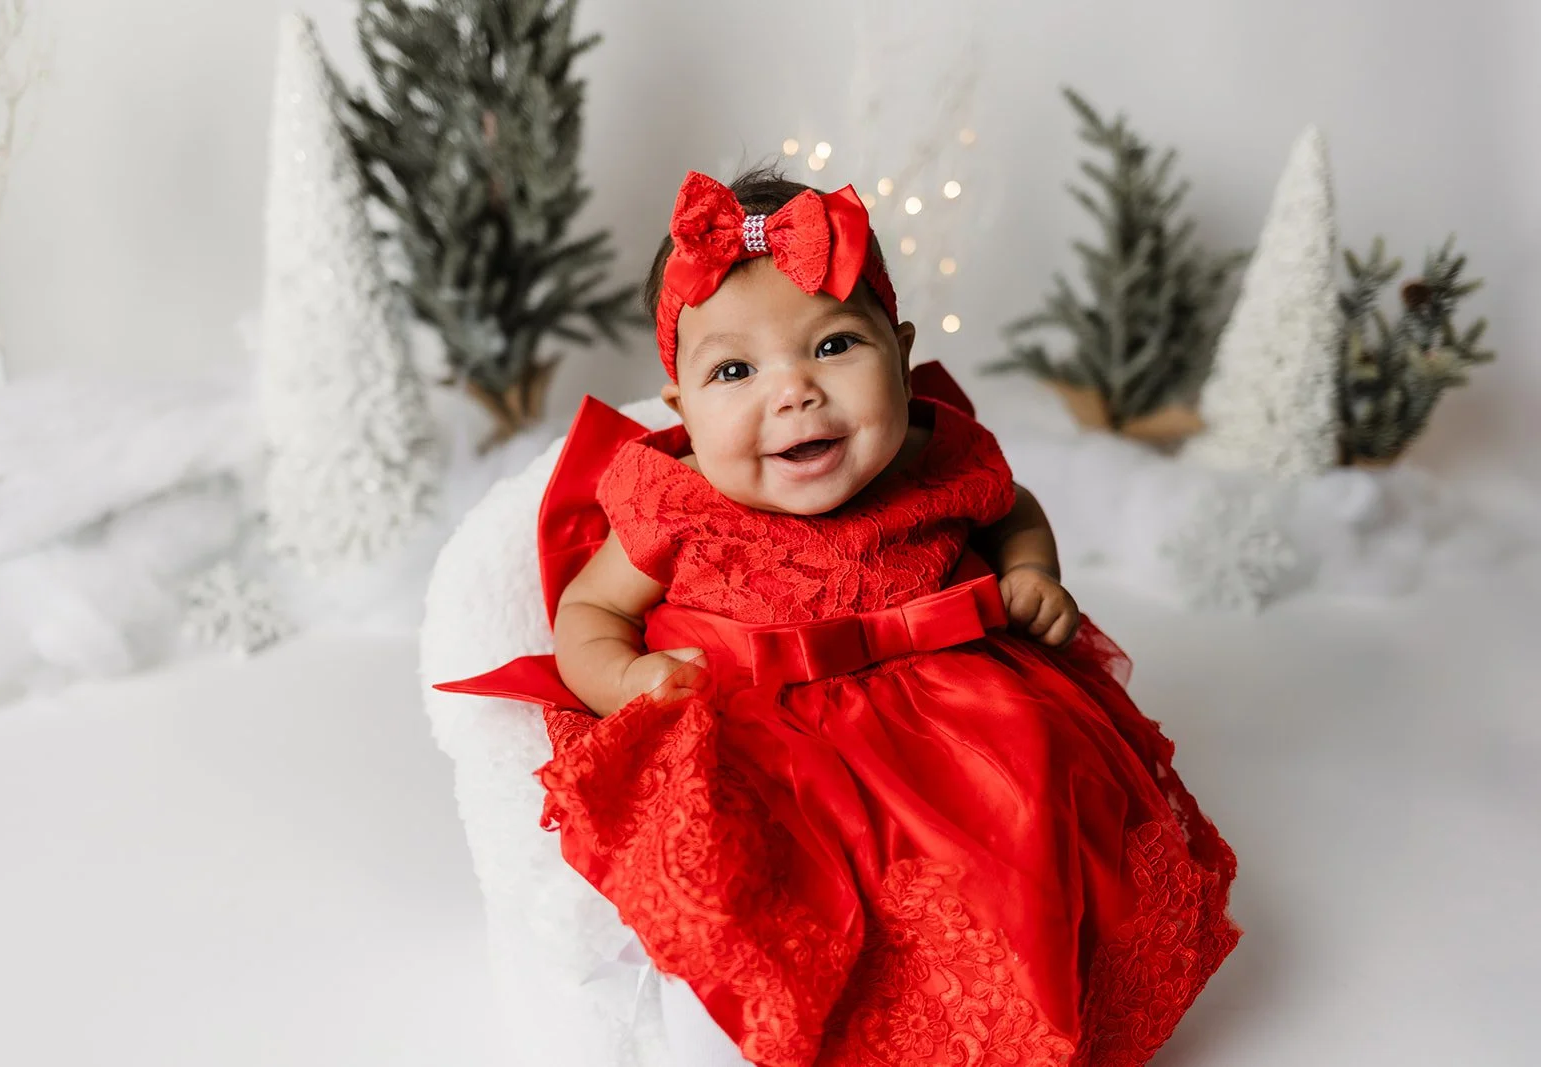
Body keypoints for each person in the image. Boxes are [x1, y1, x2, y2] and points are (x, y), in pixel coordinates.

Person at [439, 167, 1239, 1067]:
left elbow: (1010, 504)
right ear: (684, 413)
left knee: (1043, 816)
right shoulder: (681, 501)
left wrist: (1030, 570)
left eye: (833, 347)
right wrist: (624, 677)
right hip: (760, 740)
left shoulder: (937, 460)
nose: (794, 392)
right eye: (735, 370)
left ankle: (1017, 1020)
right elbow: (588, 607)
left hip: (960, 725)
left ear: (900, 355)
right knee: (745, 894)